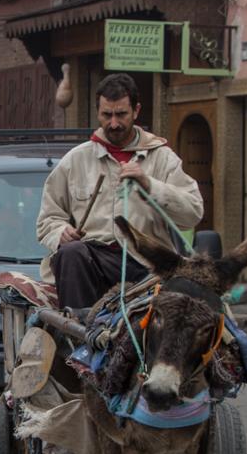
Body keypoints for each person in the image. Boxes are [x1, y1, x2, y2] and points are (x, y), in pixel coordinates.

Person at [36, 73, 204, 311]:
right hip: (93, 264)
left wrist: (149, 185)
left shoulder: (163, 158)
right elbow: (47, 220)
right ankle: (79, 337)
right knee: (71, 253)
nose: (113, 123)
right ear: (97, 112)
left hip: (147, 265)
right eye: (107, 115)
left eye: (121, 114)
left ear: (136, 110)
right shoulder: (75, 160)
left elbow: (193, 214)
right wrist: (60, 233)